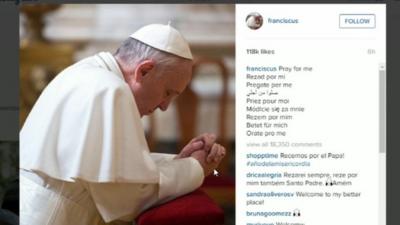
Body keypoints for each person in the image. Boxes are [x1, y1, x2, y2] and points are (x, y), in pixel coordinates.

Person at [20, 24, 226, 225]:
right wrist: (195, 167)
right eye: (167, 93)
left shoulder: (87, 72)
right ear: (144, 71)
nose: (164, 106)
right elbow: (126, 198)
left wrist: (178, 161)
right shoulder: (111, 91)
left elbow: (112, 166)